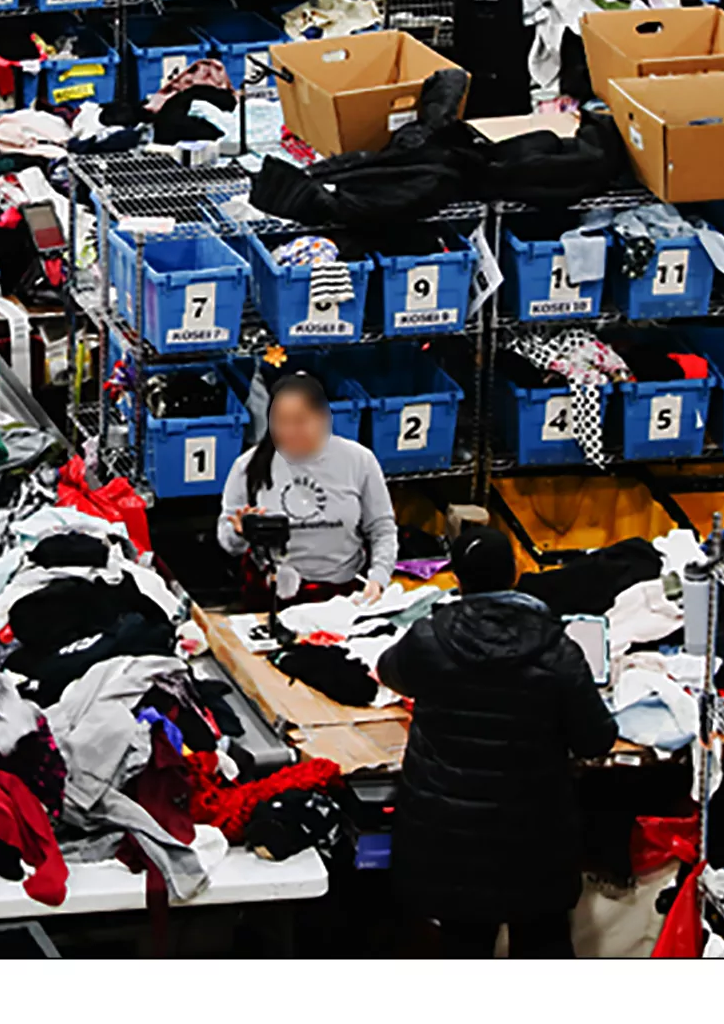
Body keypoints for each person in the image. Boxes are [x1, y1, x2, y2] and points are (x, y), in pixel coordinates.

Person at [377, 525, 619, 958]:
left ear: (456, 579)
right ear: (515, 573)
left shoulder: (430, 638)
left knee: (462, 949)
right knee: (543, 947)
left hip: (450, 843)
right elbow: (595, 740)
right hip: (535, 845)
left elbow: (389, 671)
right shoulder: (557, 651)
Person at [215, 373, 399, 604]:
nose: (290, 432)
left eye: (300, 421)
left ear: (323, 418)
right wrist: (240, 533)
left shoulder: (359, 460)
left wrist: (378, 579)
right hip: (273, 594)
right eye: (281, 422)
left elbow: (382, 528)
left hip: (345, 593)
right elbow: (228, 541)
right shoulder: (247, 467)